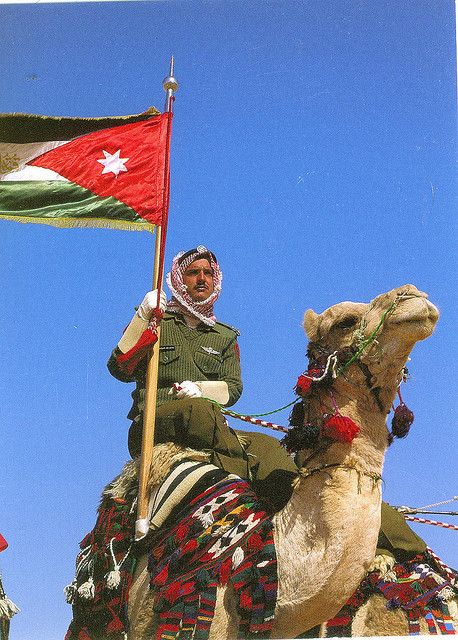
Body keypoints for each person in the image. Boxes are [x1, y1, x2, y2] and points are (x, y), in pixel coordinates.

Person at [107, 245, 298, 512]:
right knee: (197, 410)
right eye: (193, 272)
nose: (202, 279)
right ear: (179, 279)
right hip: (155, 422)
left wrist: (201, 388)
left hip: (209, 426)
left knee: (266, 446)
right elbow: (119, 368)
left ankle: (287, 508)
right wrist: (142, 316)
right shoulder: (157, 321)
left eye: (208, 273)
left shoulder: (224, 336)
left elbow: (233, 389)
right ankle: (243, 487)